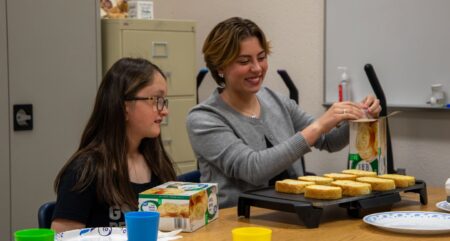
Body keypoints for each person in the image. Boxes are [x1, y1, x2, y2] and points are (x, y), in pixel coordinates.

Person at [186, 17, 381, 208]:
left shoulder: (275, 100)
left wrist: (361, 117)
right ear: (220, 66)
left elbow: (329, 141)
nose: (257, 68)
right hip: (238, 224)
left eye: (261, 58)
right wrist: (319, 126)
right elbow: (253, 169)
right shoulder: (203, 118)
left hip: (290, 215)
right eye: (244, 61)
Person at [51, 57, 176, 232]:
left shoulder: (157, 163)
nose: (164, 110)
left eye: (164, 101)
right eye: (155, 99)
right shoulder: (85, 170)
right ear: (124, 106)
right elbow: (62, 235)